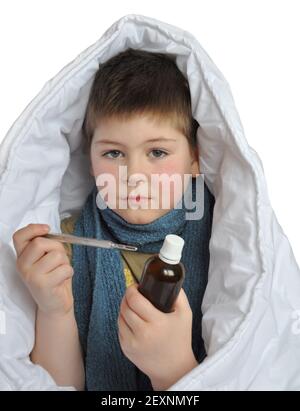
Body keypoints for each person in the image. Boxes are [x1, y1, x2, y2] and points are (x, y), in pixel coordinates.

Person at [12, 48, 215, 391]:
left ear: (195, 159)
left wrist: (175, 368)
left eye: (157, 152)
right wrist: (54, 310)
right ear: (90, 162)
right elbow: (60, 385)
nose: (134, 175)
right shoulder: (68, 249)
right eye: (114, 153)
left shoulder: (222, 240)